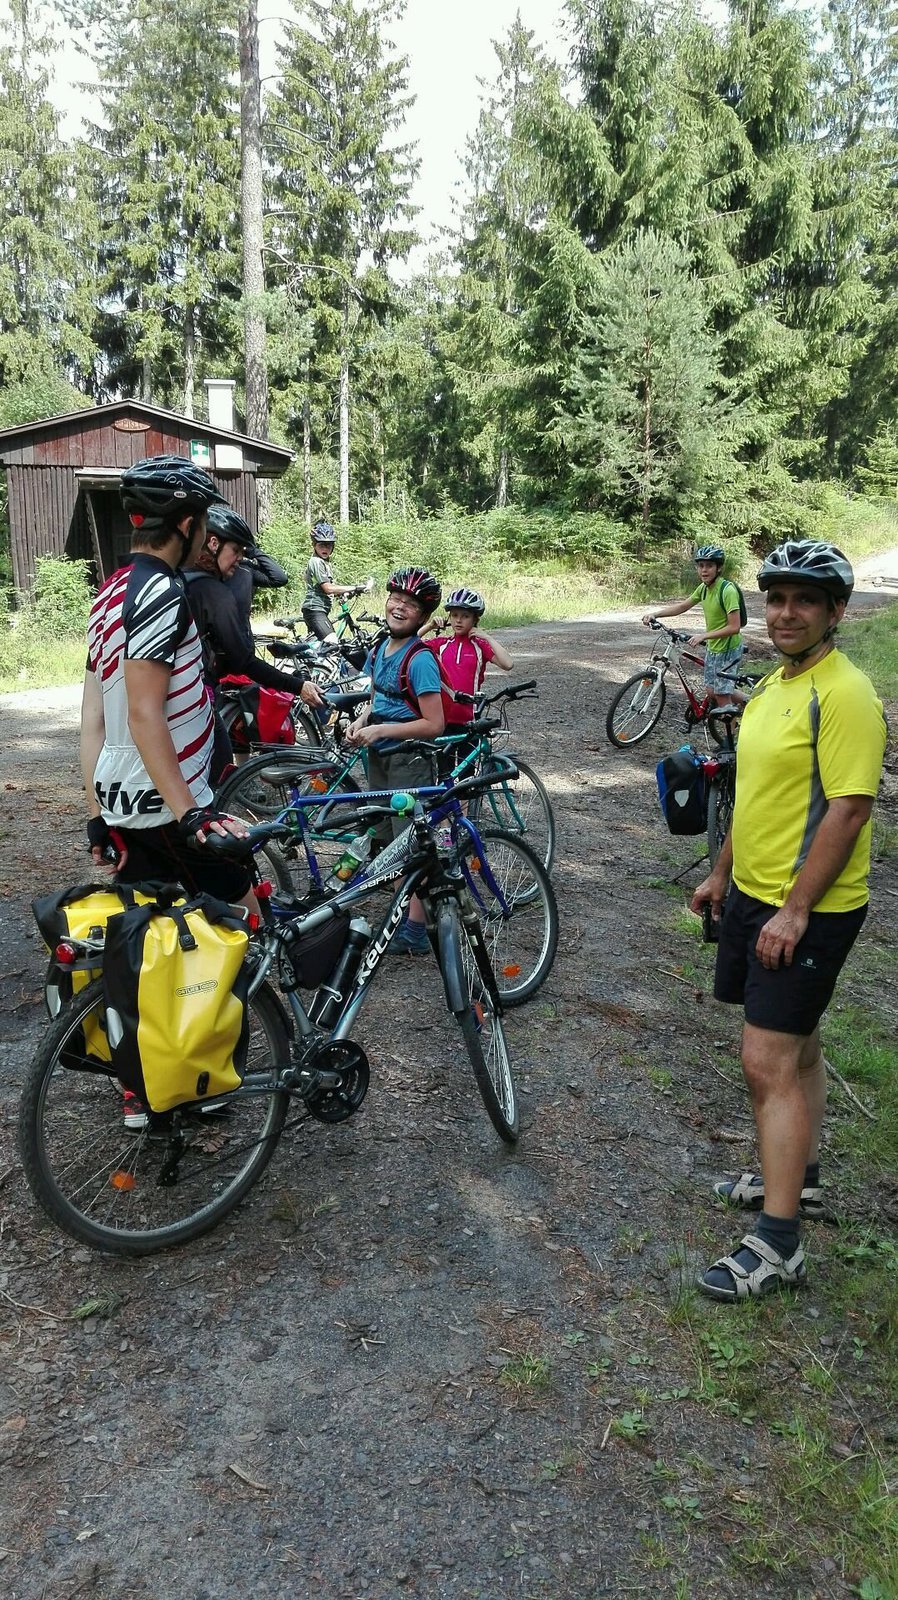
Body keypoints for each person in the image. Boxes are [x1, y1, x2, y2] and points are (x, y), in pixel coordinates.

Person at [691, 539, 887, 1302]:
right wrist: (719, 873)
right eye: (776, 599)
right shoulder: (775, 685)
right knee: (798, 1048)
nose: (785, 613)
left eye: (805, 600)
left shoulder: (844, 694)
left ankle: (779, 1247)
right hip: (756, 895)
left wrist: (796, 910)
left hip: (807, 909)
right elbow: (758, 794)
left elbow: (848, 809)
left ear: (837, 611)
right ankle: (797, 1181)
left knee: (765, 1061)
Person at [183, 503, 324, 782]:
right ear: (213, 543)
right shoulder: (213, 592)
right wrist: (298, 685)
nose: (239, 559)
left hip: (173, 700)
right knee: (220, 771)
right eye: (236, 550)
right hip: (194, 699)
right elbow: (244, 661)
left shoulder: (178, 579)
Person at [345, 566, 445, 954]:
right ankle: (405, 904)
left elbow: (434, 723)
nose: (400, 607)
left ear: (422, 615)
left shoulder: (419, 659)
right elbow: (379, 701)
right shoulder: (379, 649)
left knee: (410, 842)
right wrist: (362, 721)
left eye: (411, 604)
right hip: (379, 756)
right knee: (385, 832)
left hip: (409, 759)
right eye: (396, 599)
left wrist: (383, 731)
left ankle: (417, 930)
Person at [422, 587, 514, 772]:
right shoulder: (442, 644)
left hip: (469, 720)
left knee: (467, 778)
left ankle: (465, 803)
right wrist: (430, 626)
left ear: (475, 619)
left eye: (465, 616)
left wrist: (486, 636)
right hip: (443, 719)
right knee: (444, 774)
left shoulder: (480, 647)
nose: (458, 620)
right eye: (454, 615)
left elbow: (507, 663)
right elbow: (409, 644)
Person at [642, 544, 744, 707]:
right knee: (712, 691)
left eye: (709, 565)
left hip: (729, 648)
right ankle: (749, 701)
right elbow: (682, 606)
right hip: (714, 646)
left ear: (719, 568)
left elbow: (734, 627)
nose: (704, 570)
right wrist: (656, 614)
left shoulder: (727, 590)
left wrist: (704, 635)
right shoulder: (703, 588)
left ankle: (733, 728)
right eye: (701, 566)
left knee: (722, 695)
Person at [227, 531, 289, 653]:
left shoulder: (246, 568)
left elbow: (279, 578)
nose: (238, 555)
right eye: (235, 549)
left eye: (240, 550)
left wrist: (254, 552)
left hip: (244, 638)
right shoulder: (210, 573)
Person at [301, 520, 363, 643]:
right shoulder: (316, 562)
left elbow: (324, 588)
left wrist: (343, 593)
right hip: (315, 610)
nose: (325, 548)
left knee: (318, 647)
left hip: (318, 610)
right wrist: (354, 587)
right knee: (332, 643)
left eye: (328, 545)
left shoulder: (324, 563)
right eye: (321, 545)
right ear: (314, 544)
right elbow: (328, 588)